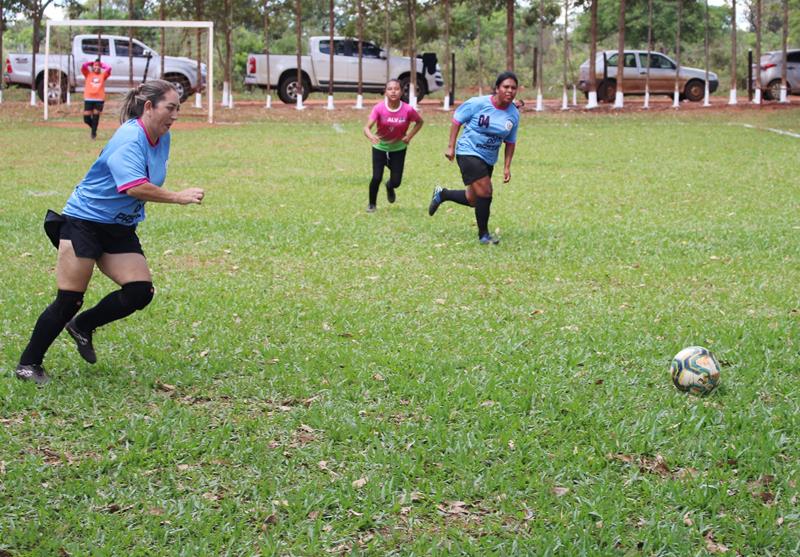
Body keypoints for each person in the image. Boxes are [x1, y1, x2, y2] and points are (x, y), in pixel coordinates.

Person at [15, 80, 205, 384]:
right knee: (69, 299)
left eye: (178, 109)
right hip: (84, 222)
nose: (175, 115)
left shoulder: (162, 137)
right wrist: (177, 196)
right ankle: (28, 365)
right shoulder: (129, 138)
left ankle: (83, 325)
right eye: (170, 107)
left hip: (119, 226)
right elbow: (132, 186)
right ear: (148, 107)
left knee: (140, 292)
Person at [428, 71, 521, 245]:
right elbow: (457, 120)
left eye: (513, 88)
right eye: (506, 87)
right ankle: (484, 235)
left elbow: (510, 141)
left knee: (474, 199)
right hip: (468, 151)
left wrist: (507, 166)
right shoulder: (478, 103)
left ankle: (443, 194)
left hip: (488, 157)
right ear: (497, 88)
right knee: (486, 191)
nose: (509, 91)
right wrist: (451, 146)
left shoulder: (513, 114)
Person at [362, 79, 424, 212]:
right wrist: (371, 136)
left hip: (398, 148)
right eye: (390, 89)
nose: (393, 91)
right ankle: (372, 204)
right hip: (380, 147)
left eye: (396, 89)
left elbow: (419, 122)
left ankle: (389, 186)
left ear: (401, 92)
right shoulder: (379, 108)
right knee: (376, 177)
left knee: (396, 182)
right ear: (385, 92)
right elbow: (366, 128)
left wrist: (409, 136)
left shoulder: (407, 109)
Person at [81, 58, 112, 139]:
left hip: (99, 99)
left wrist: (101, 64)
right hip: (88, 98)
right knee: (86, 118)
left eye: (98, 66)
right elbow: (84, 66)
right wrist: (91, 62)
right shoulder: (88, 74)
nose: (97, 67)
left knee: (96, 116)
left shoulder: (103, 75)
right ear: (92, 66)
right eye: (95, 65)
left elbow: (109, 68)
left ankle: (93, 134)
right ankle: (94, 128)